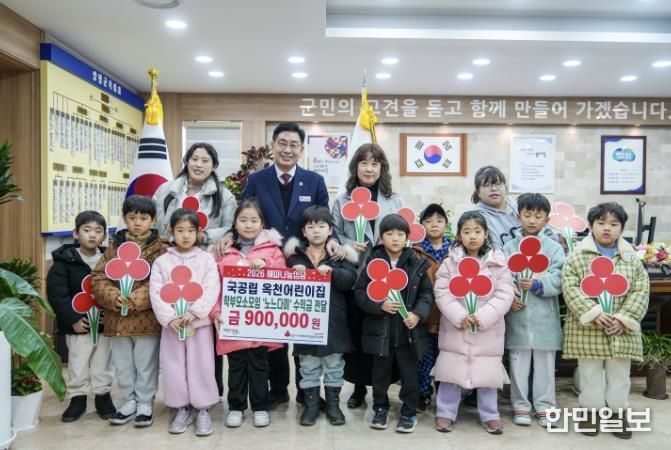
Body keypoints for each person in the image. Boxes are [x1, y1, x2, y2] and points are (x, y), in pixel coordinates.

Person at [212, 122, 343, 408]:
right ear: (273, 146)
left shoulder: (314, 181)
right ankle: (279, 388)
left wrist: (333, 240)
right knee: (272, 328)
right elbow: (246, 214)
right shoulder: (257, 180)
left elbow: (324, 218)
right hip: (265, 262)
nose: (287, 149)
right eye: (282, 143)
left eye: (293, 145)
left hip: (302, 263)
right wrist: (230, 235)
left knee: (303, 326)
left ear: (301, 149)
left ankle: (306, 391)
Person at [153, 142, 236, 397]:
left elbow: (230, 228)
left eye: (205, 160)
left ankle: (209, 393)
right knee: (174, 338)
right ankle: (179, 395)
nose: (199, 164)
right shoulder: (166, 190)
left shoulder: (224, 195)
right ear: (187, 161)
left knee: (205, 337)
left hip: (205, 262)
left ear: (214, 166)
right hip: (170, 261)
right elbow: (156, 223)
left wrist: (203, 236)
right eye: (195, 159)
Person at [561, 202, 649, 439]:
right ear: (591, 226)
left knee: (620, 376)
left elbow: (641, 290)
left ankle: (618, 414)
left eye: (613, 224)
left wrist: (624, 319)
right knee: (590, 375)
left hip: (621, 331)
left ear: (621, 228)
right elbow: (570, 288)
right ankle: (590, 413)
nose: (607, 228)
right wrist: (593, 313)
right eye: (601, 223)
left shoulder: (631, 259)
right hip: (588, 329)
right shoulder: (577, 257)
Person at [331, 143, 405, 408]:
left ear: (382, 168)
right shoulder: (342, 200)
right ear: (355, 167)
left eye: (375, 163)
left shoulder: (394, 200)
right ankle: (358, 388)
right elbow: (334, 233)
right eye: (364, 163)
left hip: (386, 277)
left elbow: (403, 233)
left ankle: (381, 389)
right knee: (357, 332)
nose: (369, 168)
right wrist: (349, 244)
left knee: (381, 333)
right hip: (354, 276)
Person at [433, 211, 514, 434]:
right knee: (451, 372)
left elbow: (505, 294)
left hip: (488, 330)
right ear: (459, 235)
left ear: (486, 234)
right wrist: (460, 316)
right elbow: (441, 292)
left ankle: (490, 415)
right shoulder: (450, 263)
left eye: (477, 231)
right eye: (466, 231)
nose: (472, 236)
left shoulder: (497, 263)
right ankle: (445, 412)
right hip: (456, 328)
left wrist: (483, 316)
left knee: (487, 374)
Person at [91, 195, 169, 427]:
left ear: (153, 220)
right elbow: (98, 276)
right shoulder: (114, 247)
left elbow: (164, 279)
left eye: (143, 218)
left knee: (145, 363)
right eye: (132, 217)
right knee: (123, 363)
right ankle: (129, 402)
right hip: (117, 318)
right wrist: (113, 296)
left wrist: (137, 298)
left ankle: (145, 403)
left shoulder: (161, 249)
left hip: (147, 318)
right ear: (125, 218)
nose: (137, 223)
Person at [354, 214, 434, 433]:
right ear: (381, 237)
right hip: (381, 333)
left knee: (410, 376)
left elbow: (427, 294)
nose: (395, 238)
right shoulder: (373, 261)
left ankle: (408, 412)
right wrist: (379, 305)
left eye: (400, 234)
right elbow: (360, 292)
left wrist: (417, 314)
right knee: (380, 376)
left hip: (408, 333)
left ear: (407, 237)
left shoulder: (416, 262)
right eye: (389, 234)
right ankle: (380, 409)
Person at [211, 200, 285, 428]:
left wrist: (266, 263)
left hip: (260, 324)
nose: (248, 225)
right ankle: (236, 407)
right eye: (243, 220)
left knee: (260, 367)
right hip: (232, 322)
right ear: (234, 223)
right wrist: (216, 312)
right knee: (236, 367)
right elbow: (214, 286)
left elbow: (284, 275)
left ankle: (260, 407)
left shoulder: (273, 250)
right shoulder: (223, 252)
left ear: (262, 224)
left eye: (254, 220)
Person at [284, 206, 358, 426]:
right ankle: (312, 406)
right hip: (304, 323)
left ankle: (334, 406)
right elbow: (280, 286)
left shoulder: (340, 256)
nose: (316, 231)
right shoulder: (294, 258)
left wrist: (333, 273)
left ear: (330, 230)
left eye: (321, 226)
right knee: (308, 365)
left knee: (334, 364)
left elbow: (350, 281)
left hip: (334, 322)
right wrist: (293, 274)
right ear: (303, 232)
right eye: (311, 226)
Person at [149, 209, 220, 436]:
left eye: (190, 230)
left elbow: (211, 288)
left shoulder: (206, 259)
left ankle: (203, 408)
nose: (185, 235)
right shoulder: (162, 262)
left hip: (198, 325)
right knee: (174, 365)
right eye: (180, 230)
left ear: (199, 232)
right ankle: (180, 408)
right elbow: (156, 292)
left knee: (202, 365)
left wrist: (196, 312)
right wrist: (170, 317)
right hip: (173, 326)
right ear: (171, 231)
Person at [502, 193, 565, 428]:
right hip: (518, 317)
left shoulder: (554, 248)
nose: (532, 220)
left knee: (545, 367)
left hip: (545, 319)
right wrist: (511, 297)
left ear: (547, 219)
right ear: (518, 216)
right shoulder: (509, 247)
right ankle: (520, 405)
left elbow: (560, 277)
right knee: (518, 364)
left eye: (538, 216)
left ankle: (545, 407)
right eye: (527, 215)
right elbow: (501, 277)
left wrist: (539, 284)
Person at [47, 211, 115, 423]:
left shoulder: (110, 261)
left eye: (98, 231)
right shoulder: (63, 262)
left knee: (103, 362)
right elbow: (58, 295)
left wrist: (111, 316)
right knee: (78, 362)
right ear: (76, 233)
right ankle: (77, 399)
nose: (92, 235)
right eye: (86, 230)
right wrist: (73, 320)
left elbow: (115, 290)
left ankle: (103, 396)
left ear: (104, 235)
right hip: (78, 325)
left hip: (104, 325)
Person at [414, 203, 451, 412]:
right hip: (425, 315)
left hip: (448, 316)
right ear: (421, 225)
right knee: (423, 358)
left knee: (445, 358)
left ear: (446, 224)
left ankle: (444, 397)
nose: (434, 224)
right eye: (428, 221)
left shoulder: (455, 250)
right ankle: (423, 394)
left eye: (439, 220)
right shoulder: (416, 251)